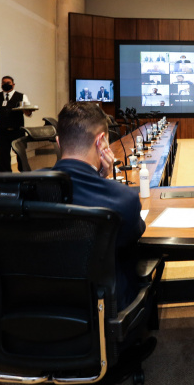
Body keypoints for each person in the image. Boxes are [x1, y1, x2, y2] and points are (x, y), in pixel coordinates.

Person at [51, 102, 146, 309]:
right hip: (100, 311)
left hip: (36, 308)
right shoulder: (123, 199)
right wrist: (105, 181)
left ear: (59, 142)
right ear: (102, 141)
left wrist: (99, 178)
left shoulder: (19, 189)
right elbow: (135, 234)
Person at [0, 75, 32, 172]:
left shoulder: (21, 96)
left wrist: (28, 112)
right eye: (3, 83)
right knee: (4, 154)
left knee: (20, 153)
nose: (6, 84)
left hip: (18, 131)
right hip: (3, 131)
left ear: (13, 84)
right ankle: (5, 177)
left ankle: (25, 174)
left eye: (8, 83)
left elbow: (28, 110)